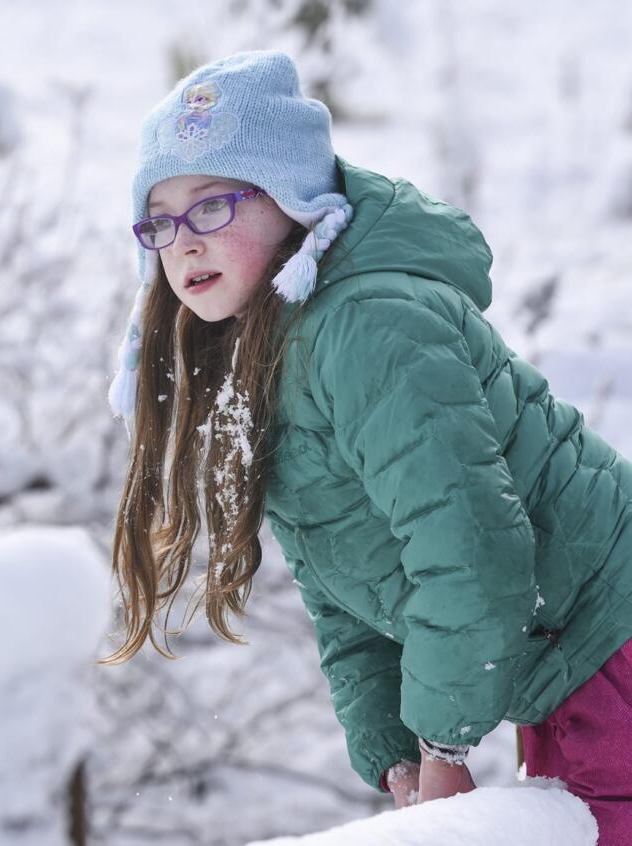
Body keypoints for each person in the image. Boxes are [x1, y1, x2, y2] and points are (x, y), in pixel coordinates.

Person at [99, 49, 632, 840]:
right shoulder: (269, 352)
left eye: (212, 206)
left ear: (294, 199)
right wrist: (393, 749)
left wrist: (444, 741)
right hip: (564, 663)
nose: (184, 243)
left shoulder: (367, 328)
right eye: (163, 220)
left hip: (608, 641)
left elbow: (469, 549)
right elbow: (341, 578)